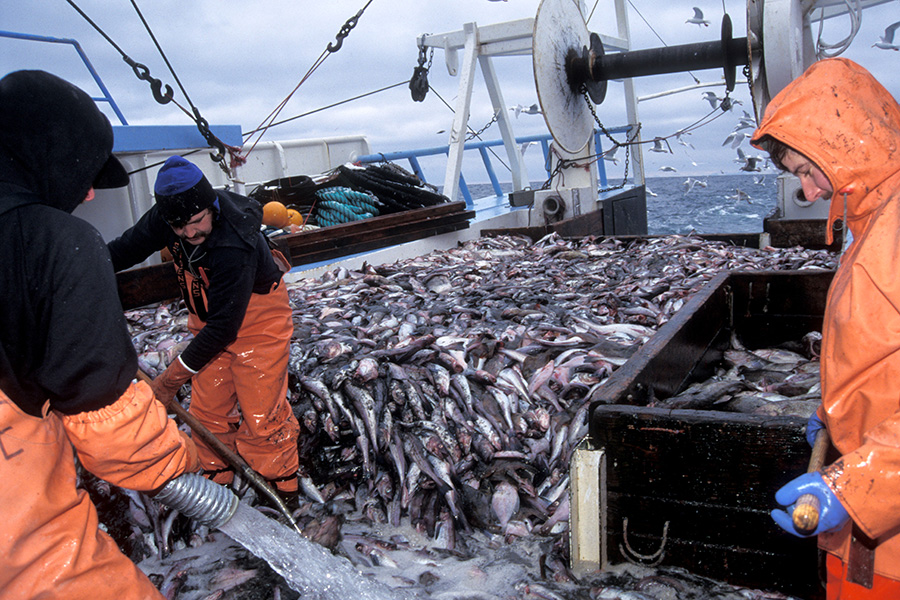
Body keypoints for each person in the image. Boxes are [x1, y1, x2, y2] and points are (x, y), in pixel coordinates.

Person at [0, 70, 200, 598]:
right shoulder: (53, 240)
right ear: (49, 154)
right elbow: (110, 429)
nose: (89, 192)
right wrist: (183, 461)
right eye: (85, 172)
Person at [752, 58, 900, 598]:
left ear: (843, 141)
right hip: (865, 528)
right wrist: (834, 411)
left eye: (806, 170)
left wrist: (853, 489)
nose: (810, 193)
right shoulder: (871, 221)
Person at [107, 154, 302, 503]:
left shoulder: (234, 242)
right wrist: (76, 271)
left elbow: (224, 329)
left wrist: (168, 381)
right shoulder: (170, 218)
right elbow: (123, 251)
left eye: (197, 221)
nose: (189, 232)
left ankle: (282, 490)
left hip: (258, 324)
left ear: (211, 205)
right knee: (207, 409)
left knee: (261, 413)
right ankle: (216, 483)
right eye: (180, 228)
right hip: (209, 320)